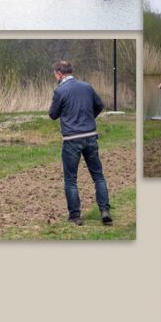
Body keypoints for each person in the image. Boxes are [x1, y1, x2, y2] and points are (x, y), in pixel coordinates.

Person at [48, 60, 112, 227]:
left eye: (55, 74)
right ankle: (105, 211)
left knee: (71, 180)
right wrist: (89, 119)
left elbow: (53, 115)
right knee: (98, 176)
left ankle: (75, 216)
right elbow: (99, 105)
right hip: (91, 136)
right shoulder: (87, 87)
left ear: (59, 74)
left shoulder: (60, 91)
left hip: (71, 139)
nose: (55, 76)